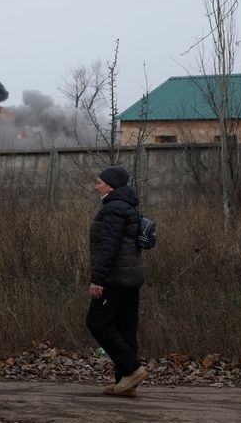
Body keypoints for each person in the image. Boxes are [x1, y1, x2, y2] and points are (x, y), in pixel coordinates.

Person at [87, 165, 147, 397]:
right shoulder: (128, 206)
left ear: (110, 186)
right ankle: (126, 382)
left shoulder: (113, 209)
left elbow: (109, 248)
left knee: (97, 323)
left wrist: (97, 279)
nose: (96, 186)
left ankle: (132, 369)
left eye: (99, 182)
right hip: (131, 276)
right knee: (125, 329)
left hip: (116, 278)